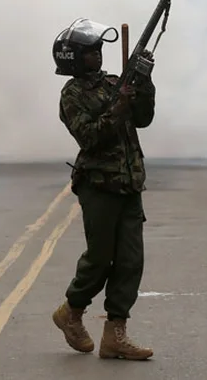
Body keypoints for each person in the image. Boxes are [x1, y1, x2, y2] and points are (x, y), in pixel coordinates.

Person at [50, 18, 156, 360]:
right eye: (92, 51)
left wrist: (144, 81)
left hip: (128, 182)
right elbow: (91, 137)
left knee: (130, 260)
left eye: (99, 50)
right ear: (75, 59)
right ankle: (72, 311)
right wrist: (120, 104)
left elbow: (143, 118)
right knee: (100, 259)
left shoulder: (114, 82)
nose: (99, 55)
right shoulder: (72, 95)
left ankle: (115, 334)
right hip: (99, 185)